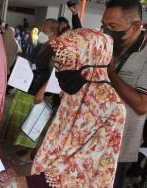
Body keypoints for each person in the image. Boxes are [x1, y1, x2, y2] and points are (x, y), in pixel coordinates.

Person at [27, 28, 126, 187]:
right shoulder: (74, 90)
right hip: (45, 171)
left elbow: (89, 163)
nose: (60, 67)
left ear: (90, 56)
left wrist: (38, 181)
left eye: (67, 59)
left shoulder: (112, 107)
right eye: (59, 59)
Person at [0, 19, 60, 165]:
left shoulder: (57, 49)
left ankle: (29, 155)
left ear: (53, 32)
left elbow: (56, 73)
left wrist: (42, 91)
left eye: (44, 30)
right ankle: (24, 149)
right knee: (24, 121)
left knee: (34, 122)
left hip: (39, 92)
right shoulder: (42, 44)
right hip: (29, 87)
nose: (40, 32)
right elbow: (35, 62)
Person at [101, 0, 147, 187]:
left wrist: (110, 73)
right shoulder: (107, 46)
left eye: (113, 26)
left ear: (136, 25)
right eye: (104, 25)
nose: (107, 31)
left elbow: (142, 105)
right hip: (94, 134)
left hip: (120, 146)